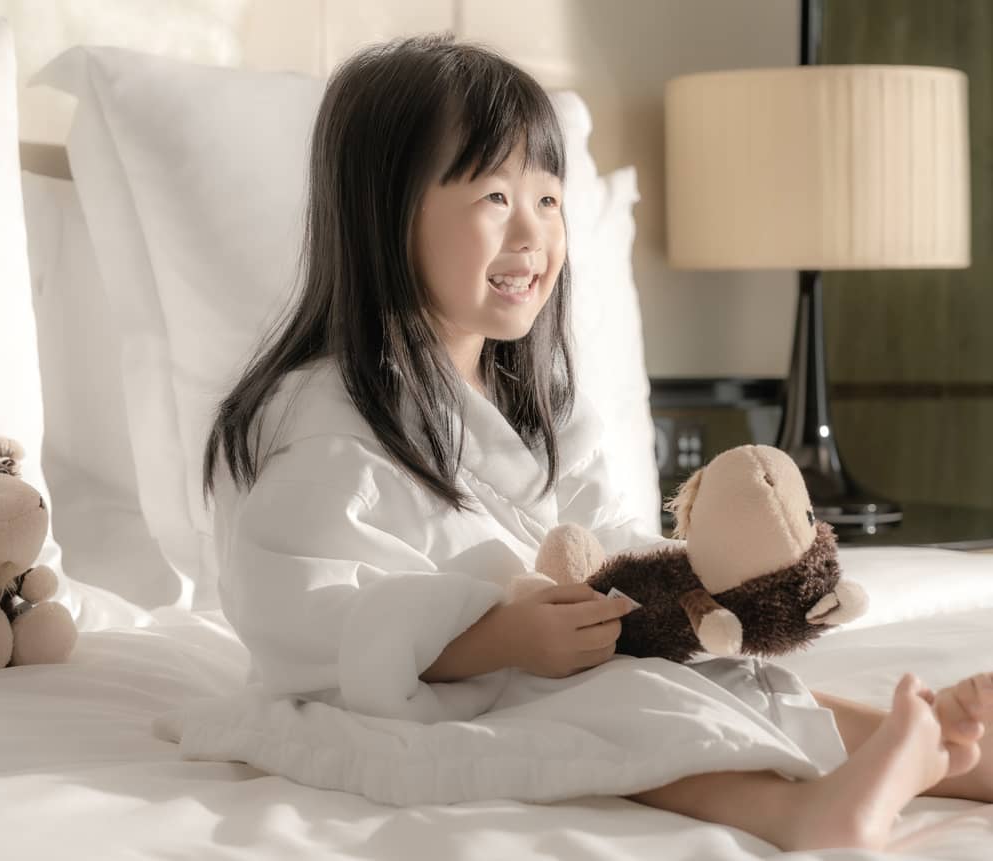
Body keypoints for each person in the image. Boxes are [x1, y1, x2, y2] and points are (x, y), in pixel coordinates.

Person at [200, 33, 993, 852]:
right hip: (435, 687)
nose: (532, 234)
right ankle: (797, 812)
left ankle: (940, 743)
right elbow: (300, 614)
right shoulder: (326, 416)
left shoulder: (540, 404)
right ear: (383, 212)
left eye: (548, 200)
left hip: (559, 655)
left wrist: (683, 596)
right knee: (624, 710)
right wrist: (495, 639)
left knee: (722, 677)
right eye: (494, 197)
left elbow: (606, 537)